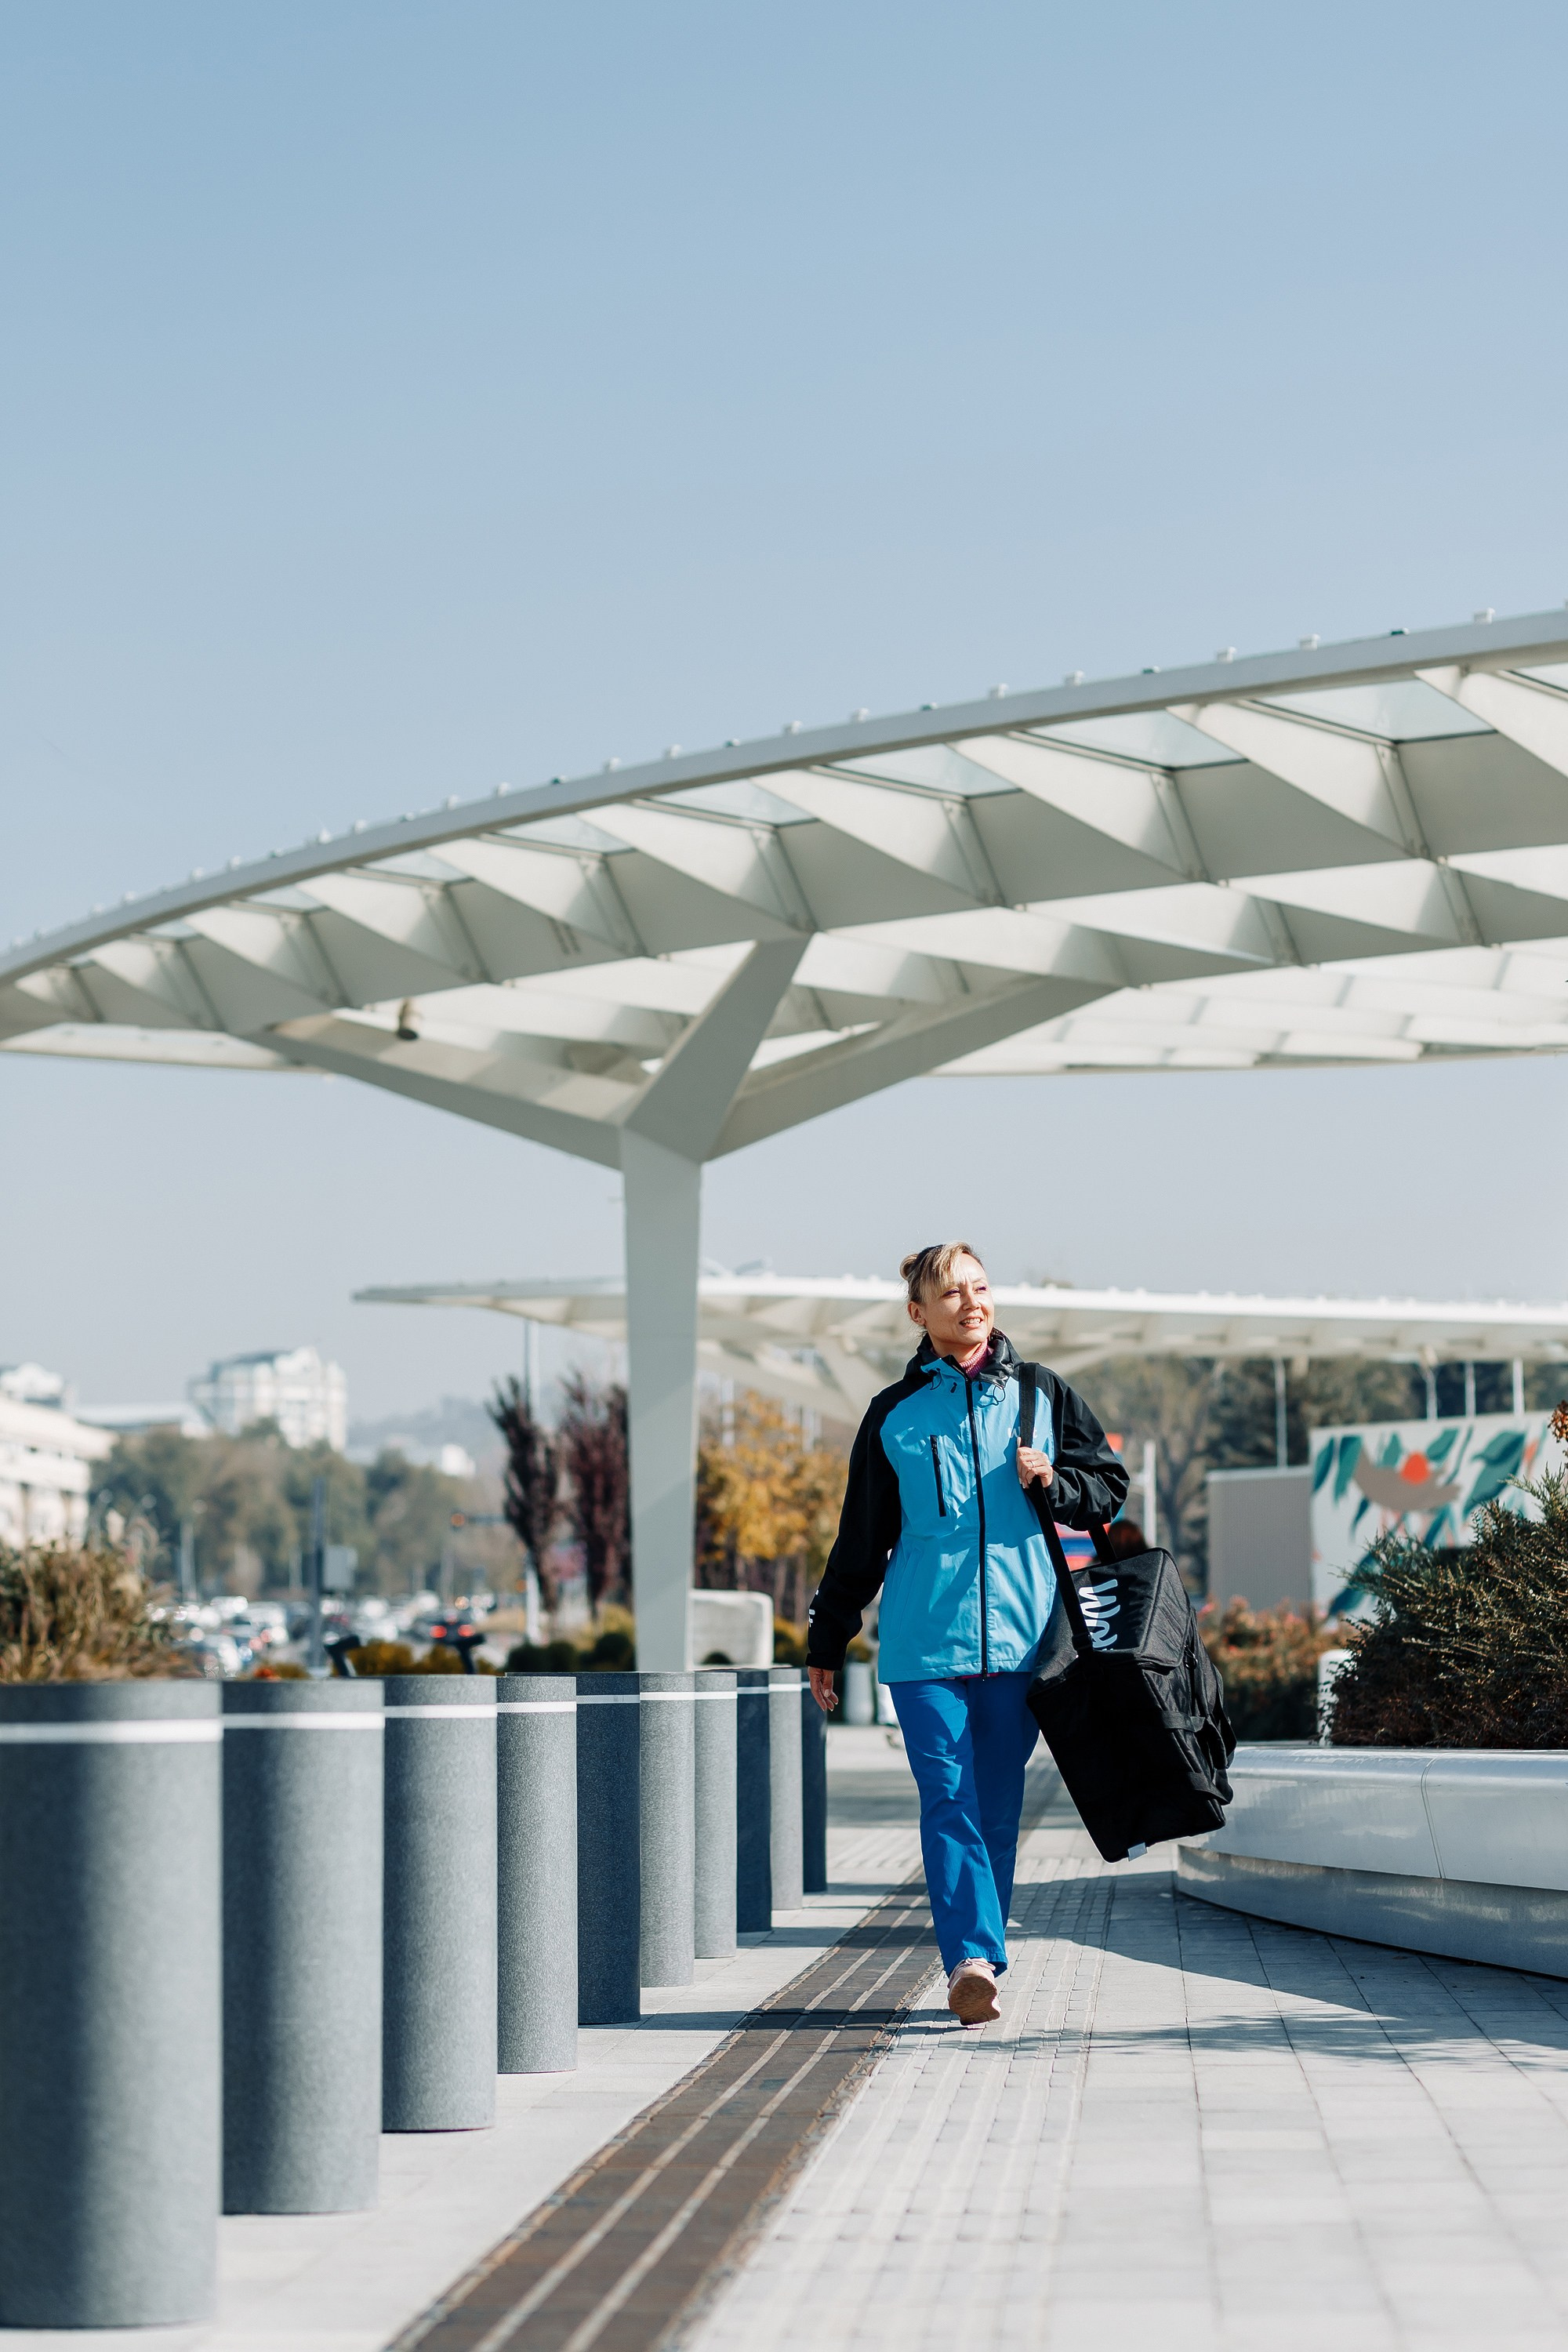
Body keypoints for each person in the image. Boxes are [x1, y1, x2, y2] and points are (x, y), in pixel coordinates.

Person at [807, 1242, 1127, 2026]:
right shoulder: (893, 1415)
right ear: (918, 1313)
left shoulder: (1042, 1395)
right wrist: (827, 1638)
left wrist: (1053, 1480)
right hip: (922, 1645)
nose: (969, 1302)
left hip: (1021, 1642)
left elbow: (1108, 1489)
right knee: (946, 1795)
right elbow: (860, 1539)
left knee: (993, 1804)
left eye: (979, 1287)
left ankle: (978, 1953)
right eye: (949, 1293)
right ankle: (972, 1960)